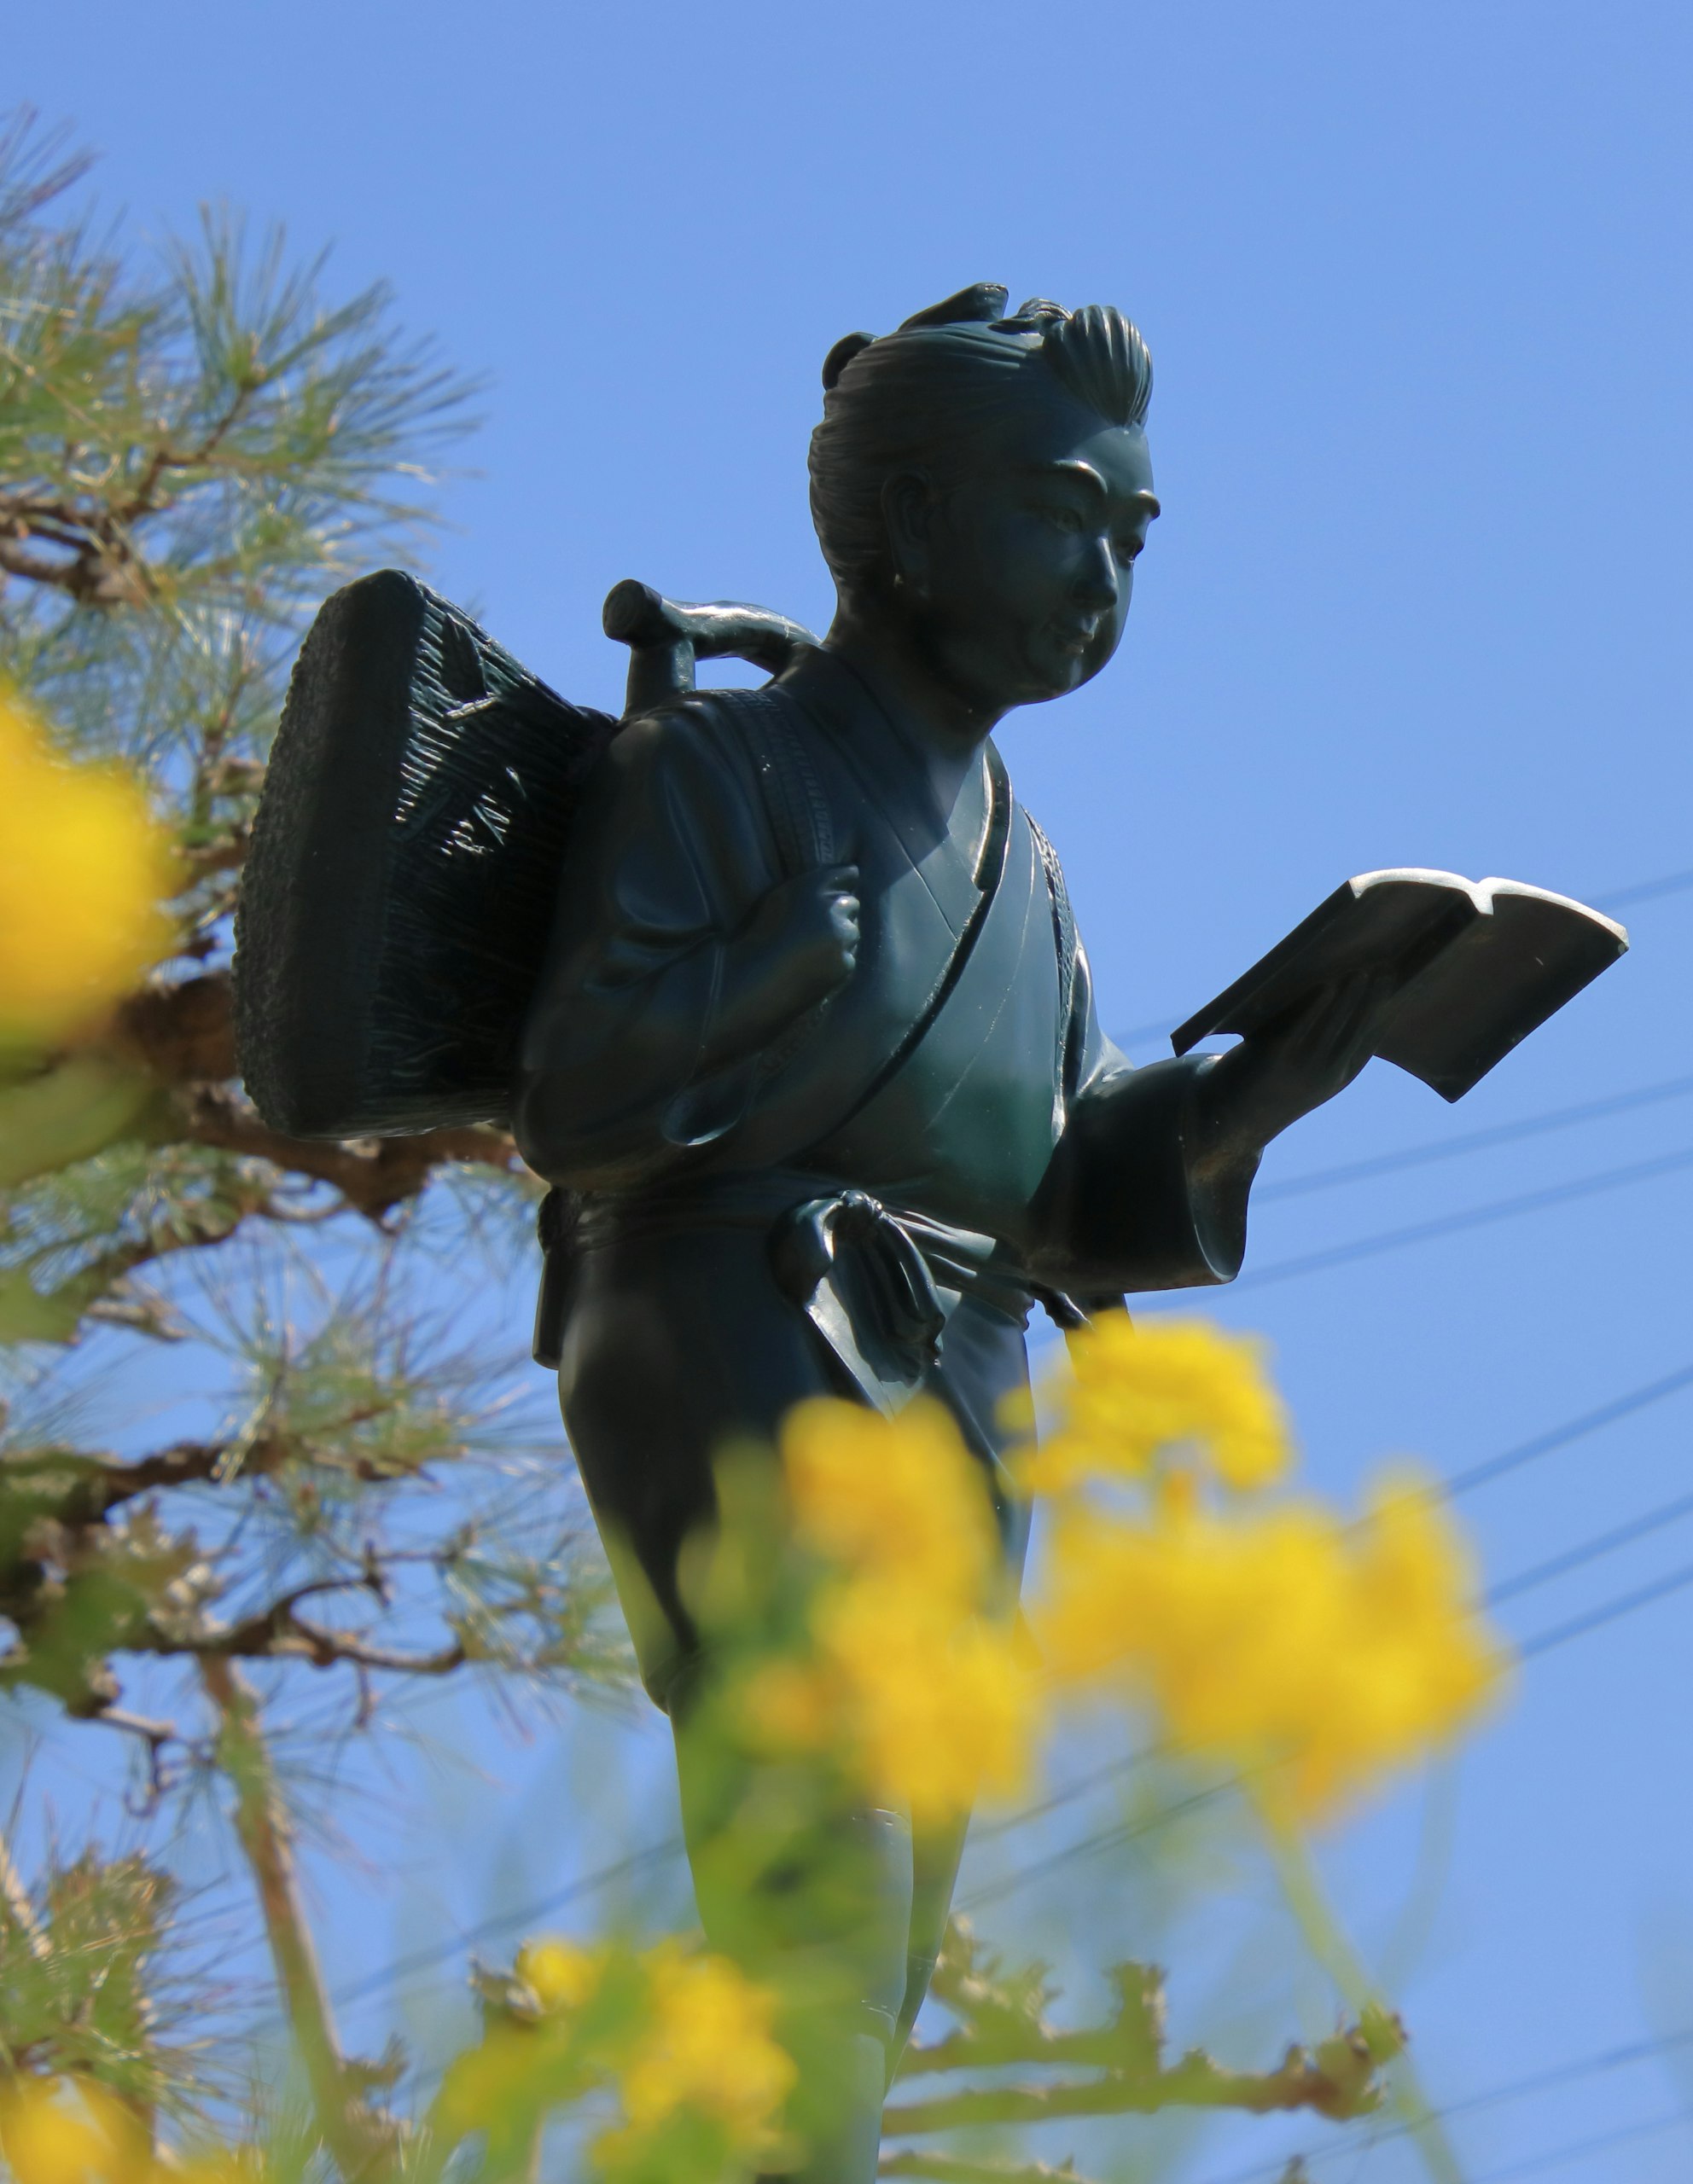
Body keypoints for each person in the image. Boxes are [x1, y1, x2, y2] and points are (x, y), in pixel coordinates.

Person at [514, 282, 1385, 2181]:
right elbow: (573, 1107)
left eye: (1131, 539)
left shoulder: (1029, 859)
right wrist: (757, 980)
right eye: (1067, 510)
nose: (1103, 570)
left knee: (889, 1921)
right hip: (743, 1300)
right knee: (815, 1848)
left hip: (964, 1370)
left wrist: (1258, 1092)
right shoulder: (722, 767)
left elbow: (1060, 1189)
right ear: (904, 518)